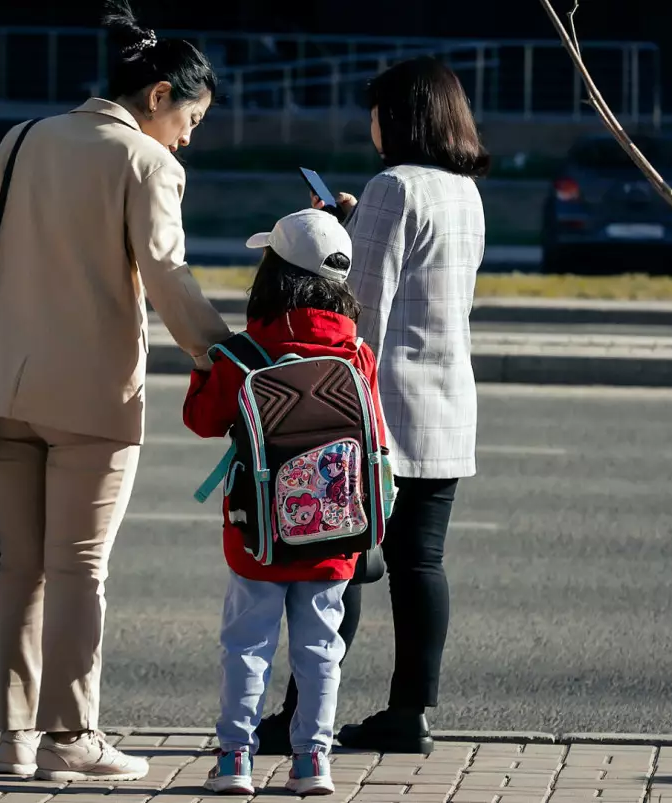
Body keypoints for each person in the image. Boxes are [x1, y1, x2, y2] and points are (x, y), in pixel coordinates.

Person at [0, 0, 231, 782]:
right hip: (93, 401)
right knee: (79, 570)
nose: (189, 137)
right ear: (158, 98)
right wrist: (225, 351)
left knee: (20, 572)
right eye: (192, 120)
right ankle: (71, 738)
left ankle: (14, 740)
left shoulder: (21, 139)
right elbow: (170, 279)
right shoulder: (147, 162)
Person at [255, 56, 490, 756]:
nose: (371, 124)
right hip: (447, 403)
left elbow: (362, 312)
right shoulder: (463, 191)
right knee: (421, 563)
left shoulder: (392, 185)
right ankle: (410, 712)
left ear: (401, 115)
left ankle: (303, 715)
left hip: (381, 407)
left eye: (376, 111)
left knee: (343, 560)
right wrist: (359, 225)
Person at [182, 209, 387, 796]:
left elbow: (201, 420)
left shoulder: (245, 354)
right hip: (336, 531)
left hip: (259, 534)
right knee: (321, 648)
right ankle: (311, 762)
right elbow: (373, 437)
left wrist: (205, 369)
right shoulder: (356, 355)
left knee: (247, 644)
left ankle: (235, 760)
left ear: (272, 274)